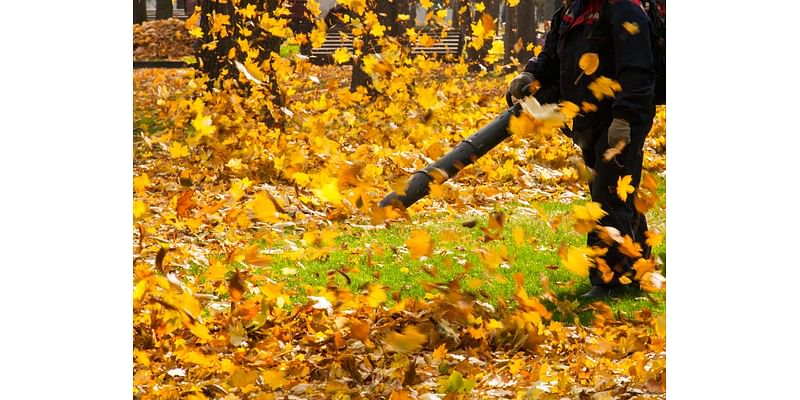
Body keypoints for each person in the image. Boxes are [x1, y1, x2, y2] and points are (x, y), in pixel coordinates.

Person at [507, 0, 656, 300]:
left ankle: (612, 283)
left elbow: (638, 71)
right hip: (590, 119)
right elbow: (552, 58)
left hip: (620, 117)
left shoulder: (624, 7)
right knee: (613, 191)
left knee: (608, 196)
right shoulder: (571, 11)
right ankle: (639, 264)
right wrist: (531, 76)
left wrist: (625, 118)